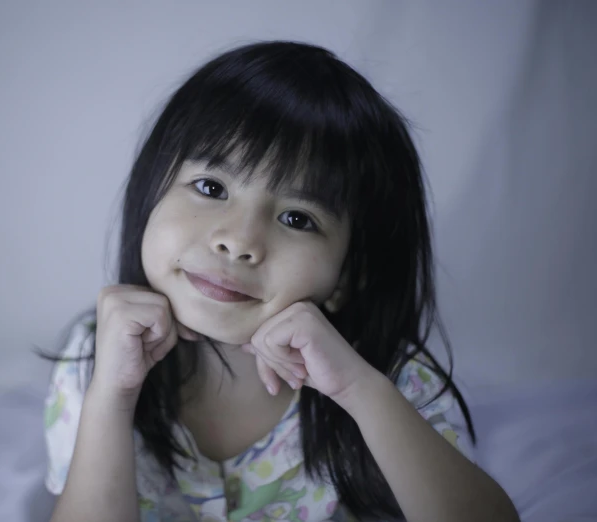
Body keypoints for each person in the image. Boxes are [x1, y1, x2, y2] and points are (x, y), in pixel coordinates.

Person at [41, 41, 519, 522]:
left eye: (296, 218)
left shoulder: (389, 380)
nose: (238, 241)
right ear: (151, 197)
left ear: (348, 274)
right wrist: (113, 399)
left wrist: (359, 391)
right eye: (212, 188)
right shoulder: (96, 361)